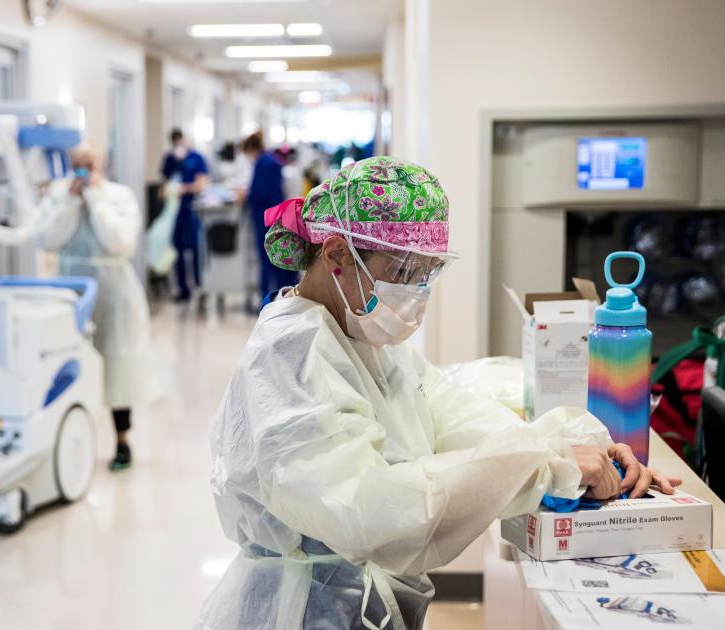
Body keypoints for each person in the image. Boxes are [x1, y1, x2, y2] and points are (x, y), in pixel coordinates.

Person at [194, 157, 682, 630]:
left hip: (354, 601)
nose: (415, 292)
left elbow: (448, 413)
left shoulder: (362, 335)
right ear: (338, 254)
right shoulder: (291, 352)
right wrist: (543, 467)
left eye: (427, 273)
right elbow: (367, 511)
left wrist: (570, 447)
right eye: (403, 271)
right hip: (301, 610)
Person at [60, 148, 151, 471]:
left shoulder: (119, 197)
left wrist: (97, 201)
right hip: (71, 289)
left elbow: (119, 241)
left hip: (114, 291)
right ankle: (73, 444)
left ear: (102, 165)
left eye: (89, 165)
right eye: (77, 166)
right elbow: (47, 236)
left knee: (118, 367)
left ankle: (122, 443)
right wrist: (69, 202)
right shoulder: (63, 196)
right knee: (70, 367)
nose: (82, 172)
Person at [243, 132, 298, 303]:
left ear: (251, 149)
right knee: (281, 259)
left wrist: (246, 196)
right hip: (276, 216)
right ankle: (285, 298)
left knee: (268, 261)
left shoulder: (263, 164)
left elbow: (258, 193)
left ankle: (267, 301)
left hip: (265, 218)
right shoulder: (272, 161)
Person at [161, 128, 209, 302]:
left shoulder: (196, 158)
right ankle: (183, 290)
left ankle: (200, 285)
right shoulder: (169, 159)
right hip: (175, 213)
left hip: (192, 211)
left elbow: (202, 182)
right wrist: (168, 191)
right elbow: (164, 185)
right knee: (178, 250)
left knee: (196, 249)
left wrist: (184, 189)